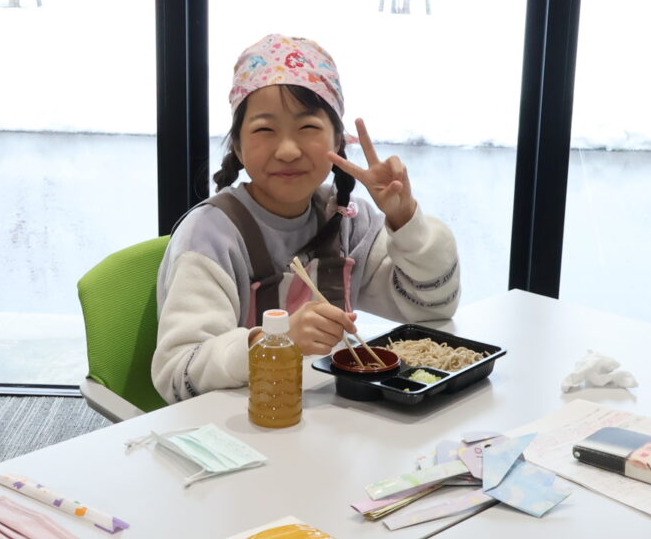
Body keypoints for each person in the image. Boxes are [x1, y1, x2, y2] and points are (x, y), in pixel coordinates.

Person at [153, 34, 461, 403]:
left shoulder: (348, 221)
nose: (287, 150)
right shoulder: (210, 236)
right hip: (240, 434)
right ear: (237, 145)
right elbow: (177, 374)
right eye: (265, 130)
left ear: (337, 141)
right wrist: (275, 341)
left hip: (326, 428)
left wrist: (405, 220)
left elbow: (433, 308)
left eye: (308, 128)